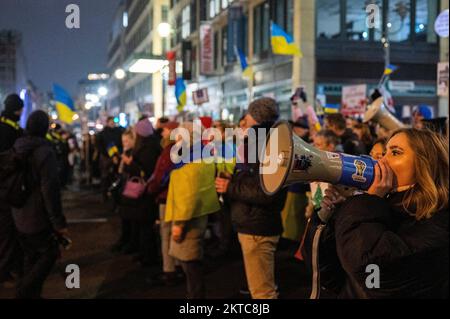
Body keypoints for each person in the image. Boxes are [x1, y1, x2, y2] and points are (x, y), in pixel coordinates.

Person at [306, 128, 448, 298]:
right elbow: (329, 274)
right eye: (383, 153)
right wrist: (328, 219)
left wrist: (364, 204)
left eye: (395, 152)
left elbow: (369, 269)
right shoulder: (377, 207)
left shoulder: (439, 222)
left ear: (426, 164)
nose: (381, 161)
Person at [215, 98, 287, 299]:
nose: (244, 120)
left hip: (257, 225)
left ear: (254, 117)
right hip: (255, 222)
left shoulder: (263, 143)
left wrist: (230, 186)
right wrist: (235, 178)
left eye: (247, 115)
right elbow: (258, 180)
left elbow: (266, 191)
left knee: (263, 293)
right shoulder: (266, 140)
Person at [12, 110, 68, 299]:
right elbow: (50, 190)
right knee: (49, 253)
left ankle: (32, 295)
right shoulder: (45, 152)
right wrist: (58, 222)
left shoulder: (18, 147)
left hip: (18, 211)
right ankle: (24, 291)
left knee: (30, 256)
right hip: (38, 215)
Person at [165, 122, 221, 299]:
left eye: (180, 136)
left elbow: (187, 197)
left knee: (190, 265)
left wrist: (178, 225)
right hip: (199, 216)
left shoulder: (189, 164)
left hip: (188, 221)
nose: (177, 140)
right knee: (192, 265)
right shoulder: (202, 159)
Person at [118, 118, 161, 266]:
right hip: (144, 192)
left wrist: (130, 164)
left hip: (146, 191)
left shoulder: (148, 148)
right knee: (142, 225)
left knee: (146, 226)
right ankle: (143, 253)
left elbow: (145, 171)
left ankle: (149, 257)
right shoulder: (149, 145)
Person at [147, 121, 180, 286]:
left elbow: (161, 175)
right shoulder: (183, 150)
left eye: (165, 130)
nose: (162, 133)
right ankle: (179, 265)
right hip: (175, 196)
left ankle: (169, 270)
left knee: (166, 234)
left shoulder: (169, 151)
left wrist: (151, 188)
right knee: (175, 233)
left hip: (166, 196)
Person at [0, 94, 24, 288]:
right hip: (6, 188)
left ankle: (12, 266)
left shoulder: (9, 127)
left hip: (8, 187)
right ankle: (4, 271)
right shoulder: (7, 131)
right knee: (7, 231)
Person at [111, 128, 136, 253]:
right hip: (124, 186)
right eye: (123, 141)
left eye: (127, 141)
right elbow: (120, 170)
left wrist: (127, 161)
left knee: (129, 216)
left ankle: (129, 242)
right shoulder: (126, 151)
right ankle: (124, 240)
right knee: (124, 215)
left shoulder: (134, 153)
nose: (124, 143)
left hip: (131, 187)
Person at [96, 116, 124, 202]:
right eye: (111, 122)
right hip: (106, 158)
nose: (112, 123)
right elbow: (100, 146)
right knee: (105, 176)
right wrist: (110, 155)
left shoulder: (119, 132)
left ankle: (115, 195)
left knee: (117, 176)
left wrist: (117, 155)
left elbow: (121, 144)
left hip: (118, 156)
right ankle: (105, 195)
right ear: (107, 122)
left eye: (113, 122)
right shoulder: (102, 133)